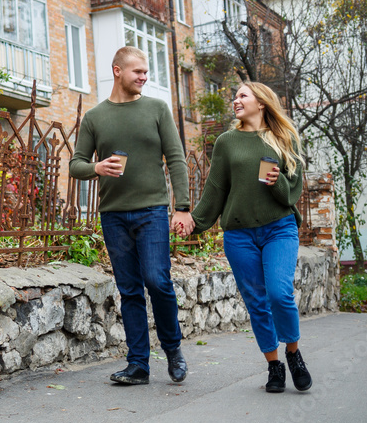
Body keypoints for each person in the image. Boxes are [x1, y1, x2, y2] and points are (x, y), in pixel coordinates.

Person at [70, 46, 194, 385]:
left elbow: (177, 159)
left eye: (145, 71)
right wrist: (96, 166)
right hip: (113, 215)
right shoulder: (95, 117)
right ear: (117, 71)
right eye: (138, 71)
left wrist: (181, 208)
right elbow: (75, 164)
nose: (144, 77)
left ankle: (173, 349)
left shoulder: (156, 109)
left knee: (157, 280)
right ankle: (138, 364)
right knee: (129, 290)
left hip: (152, 211)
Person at [182, 82, 312, 393]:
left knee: (279, 294)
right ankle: (274, 365)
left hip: (279, 228)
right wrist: (194, 222)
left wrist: (277, 181)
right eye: (235, 96)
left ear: (262, 103)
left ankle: (293, 354)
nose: (235, 100)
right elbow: (215, 189)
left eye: (243, 95)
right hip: (239, 235)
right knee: (257, 303)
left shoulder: (284, 138)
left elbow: (293, 189)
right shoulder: (227, 142)